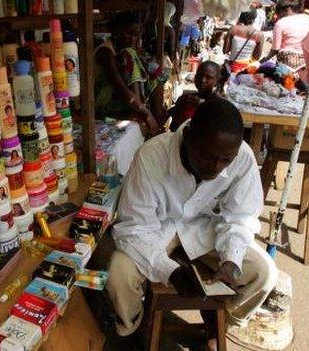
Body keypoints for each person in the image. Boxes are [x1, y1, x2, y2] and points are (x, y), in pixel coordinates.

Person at [107, 97, 277, 349]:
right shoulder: (151, 155)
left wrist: (231, 260)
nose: (216, 167)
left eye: (225, 160)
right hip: (156, 229)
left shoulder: (241, 156)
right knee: (118, 274)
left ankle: (218, 324)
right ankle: (132, 327)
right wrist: (169, 271)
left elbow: (241, 217)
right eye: (207, 156)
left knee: (264, 274)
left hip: (205, 229)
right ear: (187, 136)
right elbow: (133, 229)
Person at [94, 12, 161, 136]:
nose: (132, 38)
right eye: (128, 33)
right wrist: (147, 113)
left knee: (154, 72)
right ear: (116, 31)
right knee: (129, 54)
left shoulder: (124, 51)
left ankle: (157, 122)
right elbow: (123, 89)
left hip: (121, 100)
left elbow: (153, 74)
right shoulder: (106, 52)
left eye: (136, 35)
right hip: (102, 105)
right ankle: (144, 113)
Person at [262, 0, 309, 69]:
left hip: (287, 60)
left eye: (278, 15)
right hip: (308, 60)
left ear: (284, 11)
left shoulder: (280, 23)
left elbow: (275, 49)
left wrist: (266, 59)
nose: (278, 17)